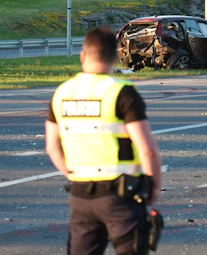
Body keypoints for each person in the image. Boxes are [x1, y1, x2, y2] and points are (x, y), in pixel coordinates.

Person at [45, 27, 162, 255]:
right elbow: (147, 149)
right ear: (116, 57)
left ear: (83, 56)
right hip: (121, 195)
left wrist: (72, 175)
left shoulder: (62, 92)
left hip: (81, 196)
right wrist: (154, 184)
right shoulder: (122, 92)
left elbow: (52, 146)